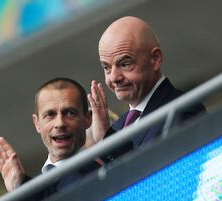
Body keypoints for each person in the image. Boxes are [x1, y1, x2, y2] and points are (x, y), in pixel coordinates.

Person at [88, 16, 206, 159]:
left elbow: (158, 176)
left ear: (155, 59)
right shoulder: (116, 128)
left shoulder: (183, 111)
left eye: (125, 64)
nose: (114, 77)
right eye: (106, 67)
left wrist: (106, 142)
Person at [0, 78, 100, 201]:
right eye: (50, 115)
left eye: (70, 113)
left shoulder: (101, 173)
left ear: (88, 119)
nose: (60, 123)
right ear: (37, 123)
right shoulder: (35, 184)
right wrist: (21, 187)